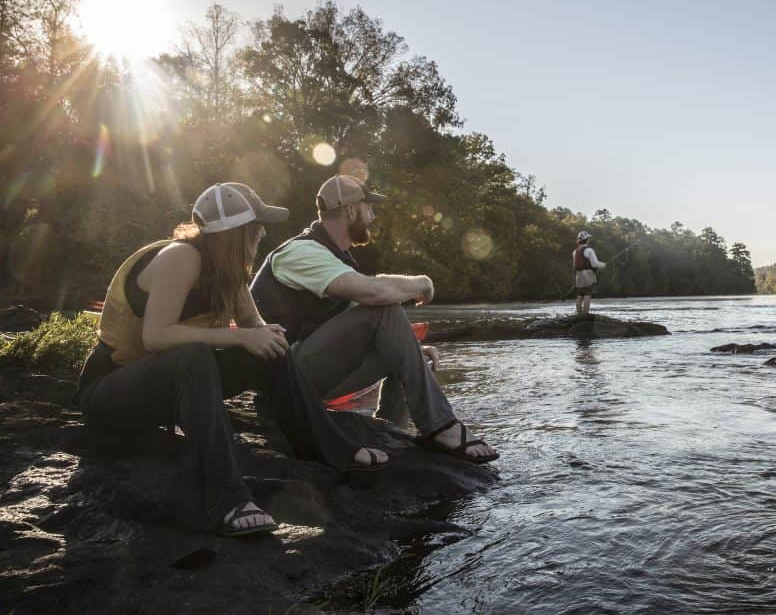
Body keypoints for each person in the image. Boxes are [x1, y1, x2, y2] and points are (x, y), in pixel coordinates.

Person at [76, 183, 387, 537]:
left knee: (271, 349)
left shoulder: (230, 271)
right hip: (111, 393)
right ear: (236, 232)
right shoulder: (181, 257)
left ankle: (333, 452)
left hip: (169, 390)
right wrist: (241, 335)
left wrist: (265, 334)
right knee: (192, 355)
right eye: (258, 225)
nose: (264, 232)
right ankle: (226, 500)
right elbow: (156, 336)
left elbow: (254, 326)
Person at [250, 174, 498, 464]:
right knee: (383, 309)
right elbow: (375, 294)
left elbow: (368, 292)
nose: (373, 215)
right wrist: (422, 283)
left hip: (304, 374)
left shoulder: (333, 258)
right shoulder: (300, 252)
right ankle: (441, 427)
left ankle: (390, 431)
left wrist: (410, 352)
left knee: (412, 352)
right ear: (351, 210)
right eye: (369, 207)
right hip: (282, 381)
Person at [573, 230, 606, 316]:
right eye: (588, 238)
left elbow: (575, 265)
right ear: (587, 240)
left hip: (578, 275)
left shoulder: (574, 252)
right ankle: (585, 314)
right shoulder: (589, 250)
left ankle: (578, 314)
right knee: (587, 294)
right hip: (588, 275)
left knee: (579, 295)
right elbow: (594, 264)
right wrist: (603, 265)